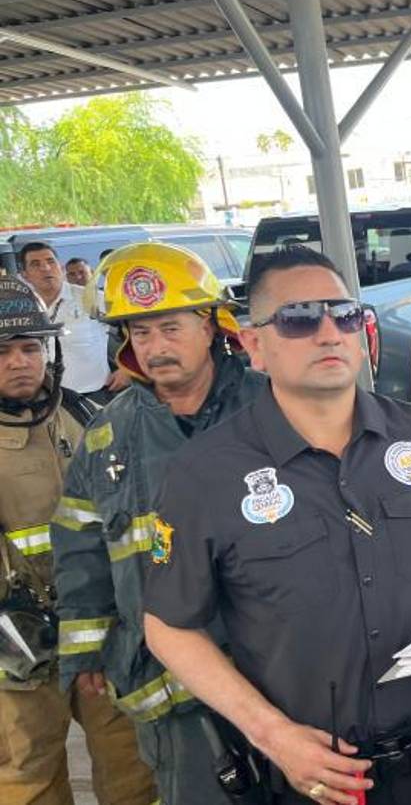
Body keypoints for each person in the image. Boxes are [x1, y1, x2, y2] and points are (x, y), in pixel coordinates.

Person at [142, 246, 411, 805]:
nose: (329, 332)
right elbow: (169, 626)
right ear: (254, 344)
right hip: (310, 771)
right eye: (300, 318)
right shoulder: (205, 474)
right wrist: (272, 735)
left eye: (345, 314)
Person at [51, 243, 266, 805]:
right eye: (140, 334)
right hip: (172, 693)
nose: (155, 348)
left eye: (170, 327)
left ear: (212, 325)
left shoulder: (274, 408)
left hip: (285, 670)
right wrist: (86, 646)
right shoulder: (107, 436)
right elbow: (80, 544)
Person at [0, 277, 155, 804]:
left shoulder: (84, 418)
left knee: (131, 762)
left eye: (29, 347)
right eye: (2, 351)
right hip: (15, 651)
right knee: (28, 776)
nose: (19, 362)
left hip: (99, 633)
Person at [20, 242, 127, 402]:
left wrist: (128, 370)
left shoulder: (91, 298)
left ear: (61, 268)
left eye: (50, 262)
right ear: (25, 275)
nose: (46, 268)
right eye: (36, 264)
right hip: (44, 402)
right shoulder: (21, 307)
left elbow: (140, 327)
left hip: (93, 397)